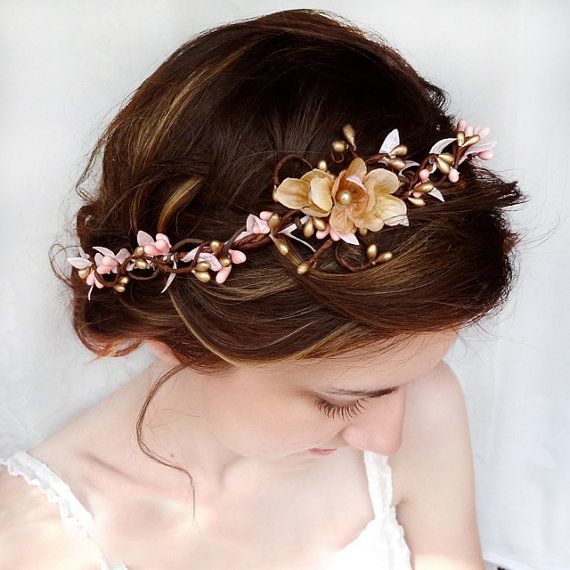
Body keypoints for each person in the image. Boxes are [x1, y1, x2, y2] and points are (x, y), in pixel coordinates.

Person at [0, 8, 526, 570]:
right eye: (337, 400)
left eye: (408, 380)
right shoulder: (33, 541)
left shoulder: (427, 403)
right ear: (174, 339)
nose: (389, 439)